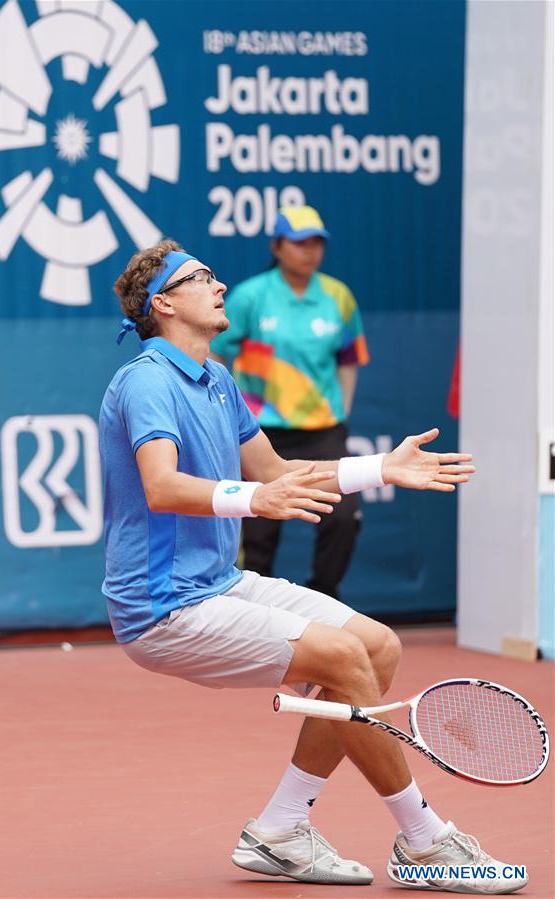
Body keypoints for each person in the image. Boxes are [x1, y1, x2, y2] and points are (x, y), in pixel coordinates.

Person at [99, 239, 526, 893]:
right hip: (161, 606)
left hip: (219, 582)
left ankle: (278, 829)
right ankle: (425, 840)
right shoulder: (145, 380)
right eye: (200, 277)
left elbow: (275, 472)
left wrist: (377, 468)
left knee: (375, 646)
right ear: (163, 303)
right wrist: (251, 499)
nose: (218, 284)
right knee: (343, 660)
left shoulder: (216, 380)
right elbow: (161, 485)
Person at [211, 205, 367, 599]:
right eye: (300, 243)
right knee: (258, 527)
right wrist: (220, 410)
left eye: (317, 243)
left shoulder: (338, 297)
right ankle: (256, 608)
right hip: (262, 431)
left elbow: (349, 359)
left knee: (344, 519)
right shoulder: (249, 297)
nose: (310, 251)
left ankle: (325, 598)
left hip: (323, 433)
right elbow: (215, 352)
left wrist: (340, 412)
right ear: (277, 247)